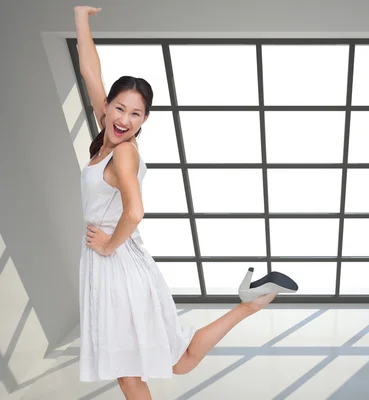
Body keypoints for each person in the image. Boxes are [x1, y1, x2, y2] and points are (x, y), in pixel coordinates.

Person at [74, 6, 297, 399]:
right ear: (107, 106)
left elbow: (135, 210)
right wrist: (81, 18)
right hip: (123, 264)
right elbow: (91, 72)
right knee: (175, 361)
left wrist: (108, 245)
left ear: (145, 121)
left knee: (129, 374)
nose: (125, 118)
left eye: (136, 114)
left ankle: (247, 305)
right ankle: (248, 305)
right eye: (120, 108)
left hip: (117, 265)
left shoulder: (124, 152)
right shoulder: (107, 134)